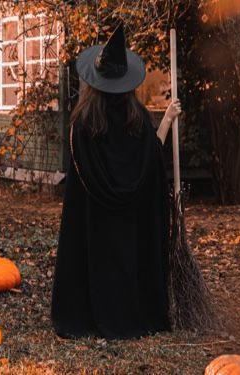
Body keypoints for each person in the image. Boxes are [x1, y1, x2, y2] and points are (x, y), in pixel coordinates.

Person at [51, 24, 182, 340]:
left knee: (100, 259)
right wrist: (165, 120)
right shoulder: (136, 117)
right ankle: (132, 313)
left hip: (94, 223)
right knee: (126, 260)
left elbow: (82, 182)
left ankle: (91, 312)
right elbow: (150, 160)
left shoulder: (83, 123)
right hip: (132, 221)